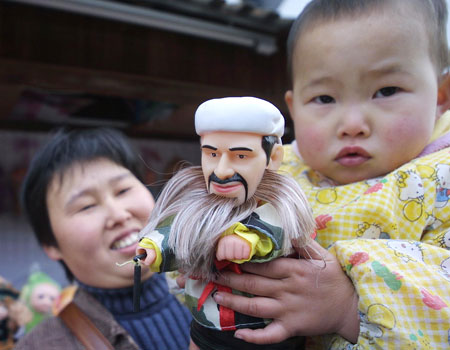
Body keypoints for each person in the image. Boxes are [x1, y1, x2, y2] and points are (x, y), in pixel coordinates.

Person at [211, 0, 450, 349]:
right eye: (324, 98)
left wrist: (347, 308)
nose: (352, 125)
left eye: (386, 91)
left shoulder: (440, 181)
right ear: (292, 109)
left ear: (441, 97)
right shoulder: (272, 169)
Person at [136, 96, 316, 350]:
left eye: (240, 156)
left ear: (273, 158)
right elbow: (176, 232)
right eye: (211, 154)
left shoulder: (278, 204)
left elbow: (278, 232)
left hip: (266, 327)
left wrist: (247, 239)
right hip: (207, 322)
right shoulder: (196, 204)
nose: (221, 170)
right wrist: (154, 248)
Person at [15, 127, 192, 350]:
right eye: (86, 206)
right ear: (51, 245)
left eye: (123, 190)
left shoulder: (220, 292)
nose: (118, 214)